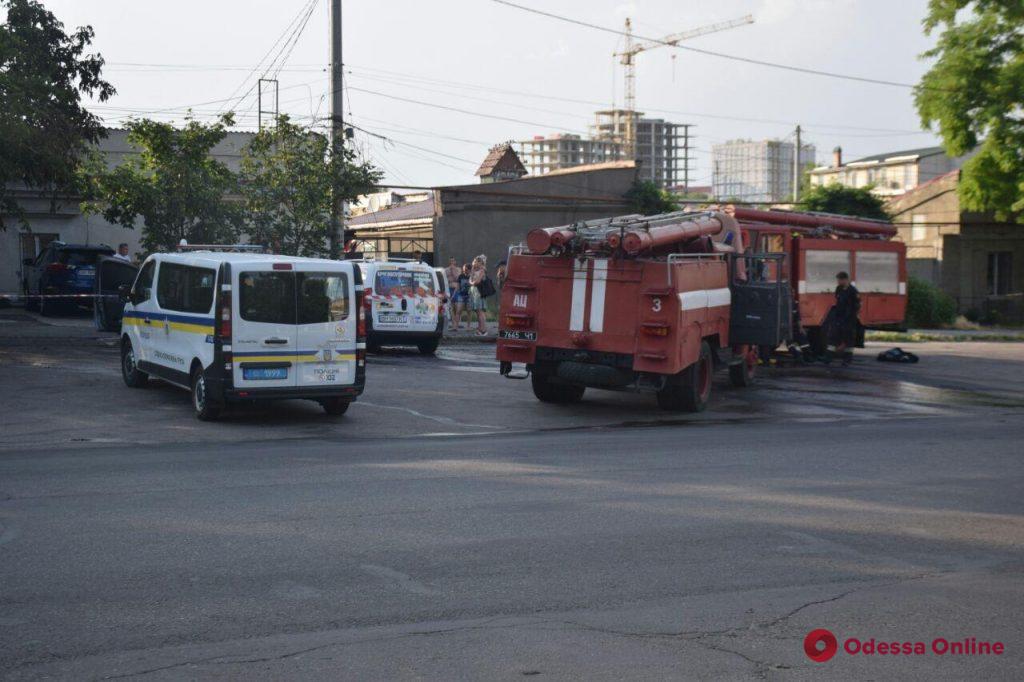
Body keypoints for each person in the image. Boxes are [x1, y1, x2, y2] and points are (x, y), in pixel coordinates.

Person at [826, 271, 860, 366]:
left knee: (848, 340)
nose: (838, 282)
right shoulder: (839, 289)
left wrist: (849, 319)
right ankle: (828, 358)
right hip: (838, 317)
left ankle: (847, 360)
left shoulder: (853, 291)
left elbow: (856, 307)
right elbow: (838, 302)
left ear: (845, 280)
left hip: (849, 319)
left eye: (840, 280)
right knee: (832, 338)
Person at [468, 254, 489, 336]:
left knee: (480, 311)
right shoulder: (475, 270)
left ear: (480, 263)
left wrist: (472, 282)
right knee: (477, 311)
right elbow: (470, 279)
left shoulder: (482, 270)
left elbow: (477, 282)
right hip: (474, 292)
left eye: (475, 262)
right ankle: (480, 329)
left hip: (478, 292)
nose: (473, 263)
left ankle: (483, 330)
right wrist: (472, 269)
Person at [449, 263, 471, 331]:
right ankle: (455, 327)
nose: (464, 271)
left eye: (466, 270)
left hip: (469, 296)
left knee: (469, 311)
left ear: (469, 270)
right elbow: (457, 286)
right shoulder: (461, 276)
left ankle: (468, 327)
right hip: (461, 295)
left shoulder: (472, 276)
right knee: (458, 311)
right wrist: (453, 295)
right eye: (463, 270)